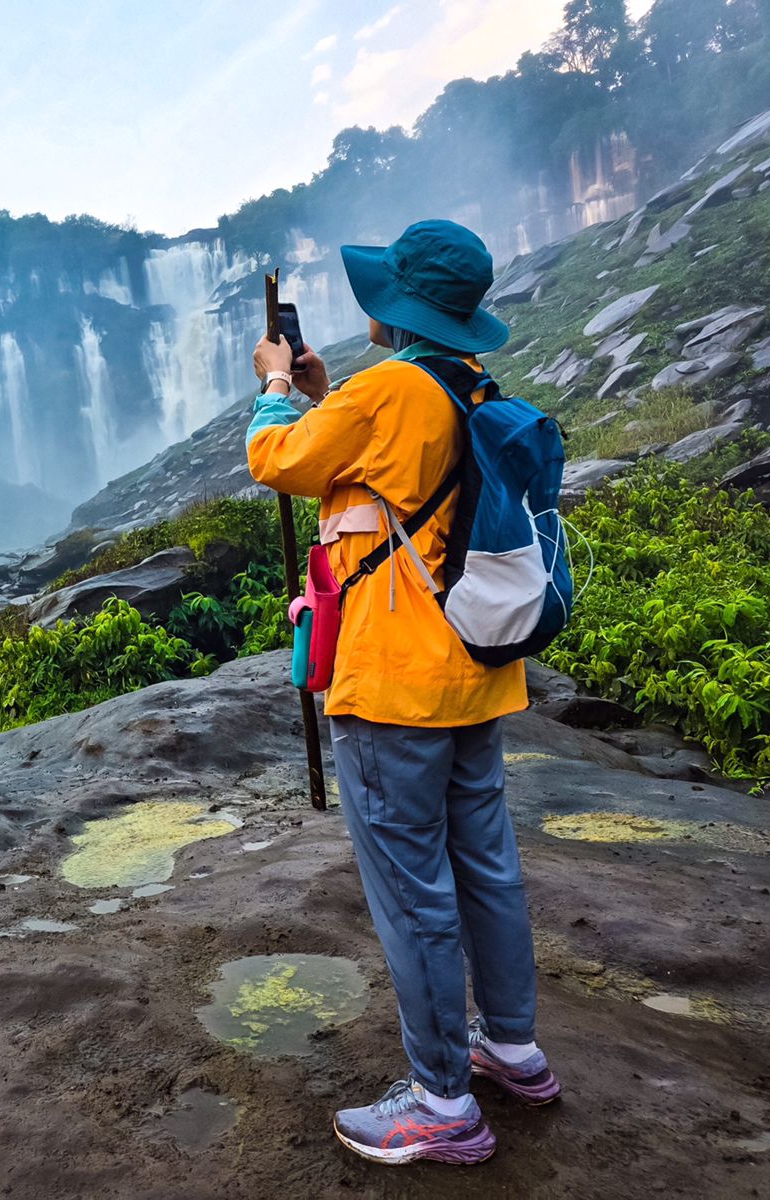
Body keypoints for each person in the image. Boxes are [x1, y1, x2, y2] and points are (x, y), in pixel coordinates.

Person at [247, 220, 557, 1166]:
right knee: (486, 870)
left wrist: (273, 388)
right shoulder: (466, 385)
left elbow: (280, 462)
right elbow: (388, 464)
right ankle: (511, 1048)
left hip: (392, 687)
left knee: (414, 894)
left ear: (396, 308)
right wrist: (320, 392)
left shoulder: (388, 388)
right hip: (475, 673)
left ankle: (440, 1105)